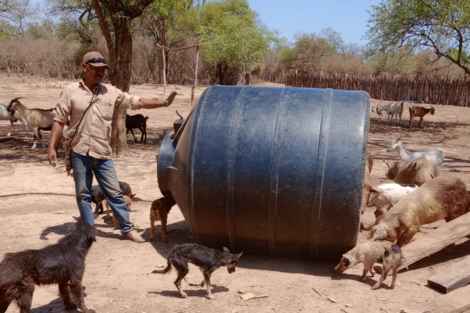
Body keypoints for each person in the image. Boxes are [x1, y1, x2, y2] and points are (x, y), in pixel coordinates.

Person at [47, 51, 177, 243]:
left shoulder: (111, 92)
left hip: (102, 152)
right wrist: (52, 147)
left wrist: (163, 103)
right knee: (83, 194)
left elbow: (136, 102)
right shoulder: (70, 91)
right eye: (96, 69)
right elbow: (59, 120)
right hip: (79, 151)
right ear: (85, 68)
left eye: (103, 70)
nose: (101, 73)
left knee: (115, 192)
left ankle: (127, 229)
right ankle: (89, 232)